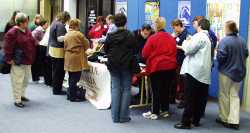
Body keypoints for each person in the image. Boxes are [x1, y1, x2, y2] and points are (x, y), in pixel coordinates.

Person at [174, 19, 212, 129]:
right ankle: (196, 120)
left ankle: (185, 122)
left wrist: (186, 41)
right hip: (203, 73)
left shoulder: (199, 36)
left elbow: (189, 49)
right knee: (200, 98)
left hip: (194, 72)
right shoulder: (207, 37)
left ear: (199, 26)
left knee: (190, 98)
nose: (193, 25)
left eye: (195, 23)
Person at [216, 21, 248, 130]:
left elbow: (220, 57)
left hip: (226, 72)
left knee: (224, 95)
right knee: (234, 96)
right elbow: (246, 54)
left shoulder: (224, 41)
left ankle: (224, 118)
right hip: (239, 73)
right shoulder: (242, 40)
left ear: (228, 28)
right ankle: (234, 121)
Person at [142, 17, 177, 120]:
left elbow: (144, 53)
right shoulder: (171, 37)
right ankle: (165, 110)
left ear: (155, 26)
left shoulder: (152, 38)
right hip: (170, 67)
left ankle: (155, 112)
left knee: (156, 90)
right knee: (166, 89)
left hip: (157, 67)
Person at [104, 13, 136, 123]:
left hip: (113, 65)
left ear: (114, 23)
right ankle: (123, 116)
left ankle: (115, 117)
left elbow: (106, 50)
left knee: (115, 89)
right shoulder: (131, 35)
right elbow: (135, 50)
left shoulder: (110, 35)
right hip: (126, 65)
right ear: (125, 22)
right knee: (127, 90)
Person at [4, 12, 36, 108]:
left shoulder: (27, 30)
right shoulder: (12, 32)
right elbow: (7, 47)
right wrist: (9, 59)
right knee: (18, 80)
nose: (28, 23)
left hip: (28, 59)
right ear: (21, 22)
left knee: (25, 79)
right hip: (18, 60)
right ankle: (17, 99)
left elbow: (31, 40)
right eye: (26, 21)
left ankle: (22, 95)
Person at [64, 19, 90, 102]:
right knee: (75, 78)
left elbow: (65, 46)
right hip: (76, 58)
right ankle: (73, 97)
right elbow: (87, 44)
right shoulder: (79, 34)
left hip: (68, 57)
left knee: (71, 77)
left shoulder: (67, 34)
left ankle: (69, 95)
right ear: (76, 26)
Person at [48, 11, 71, 95]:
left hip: (53, 49)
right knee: (59, 71)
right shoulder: (60, 25)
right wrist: (68, 35)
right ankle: (57, 90)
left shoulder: (54, 23)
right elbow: (60, 39)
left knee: (55, 70)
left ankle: (55, 89)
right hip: (58, 50)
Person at [170, 19, 190, 108]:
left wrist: (176, 46)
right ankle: (174, 97)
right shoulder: (178, 34)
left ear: (178, 26)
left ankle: (183, 100)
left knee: (182, 81)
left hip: (182, 61)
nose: (174, 30)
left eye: (174, 28)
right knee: (176, 80)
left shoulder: (186, 34)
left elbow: (187, 48)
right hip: (177, 60)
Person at [31, 19, 49, 84]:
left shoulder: (41, 29)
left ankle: (36, 78)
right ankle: (35, 78)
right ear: (43, 25)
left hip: (38, 47)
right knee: (36, 62)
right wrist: (38, 43)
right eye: (47, 24)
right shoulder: (39, 30)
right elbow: (32, 37)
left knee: (37, 62)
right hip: (37, 48)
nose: (47, 25)